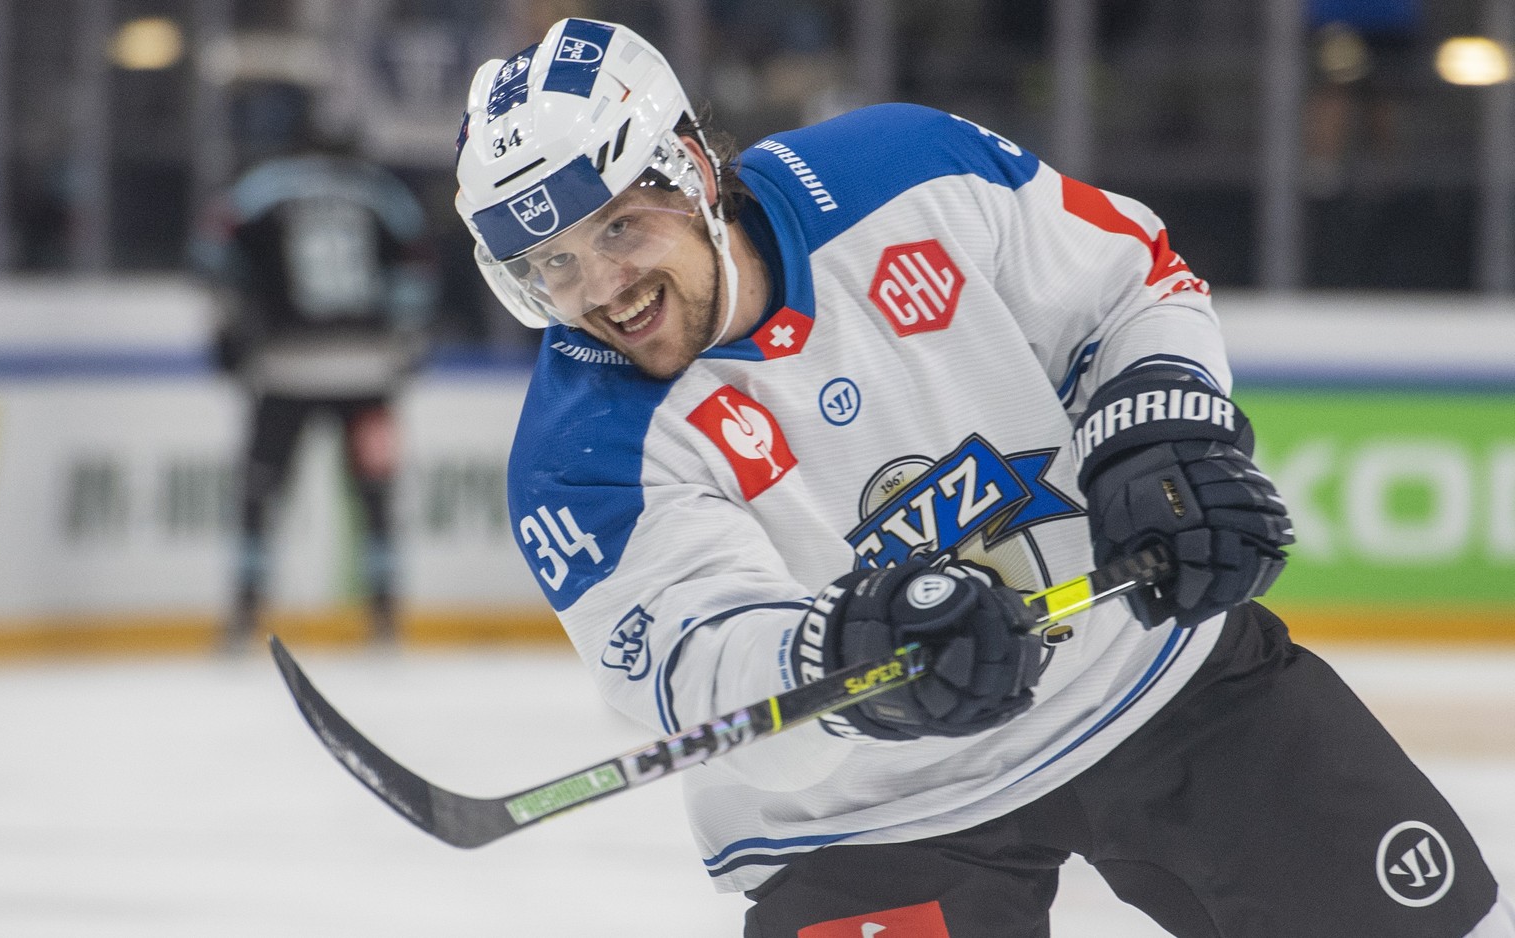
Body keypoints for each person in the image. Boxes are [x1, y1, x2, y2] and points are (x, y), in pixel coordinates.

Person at [454, 18, 1514, 937]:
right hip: (861, 816)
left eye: (618, 230)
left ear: (690, 167)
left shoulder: (904, 171)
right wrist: (848, 649)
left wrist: (1161, 436)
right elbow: (703, 671)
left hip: (1140, 674)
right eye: (551, 266)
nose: (601, 288)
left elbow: (1132, 283)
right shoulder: (578, 456)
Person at [193, 127, 438, 650]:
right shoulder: (383, 193)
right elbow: (417, 273)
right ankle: (384, 616)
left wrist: (228, 334)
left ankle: (243, 613)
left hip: (284, 369)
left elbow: (212, 257)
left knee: (260, 494)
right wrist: (408, 345)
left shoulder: (260, 189)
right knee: (375, 497)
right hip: (369, 372)